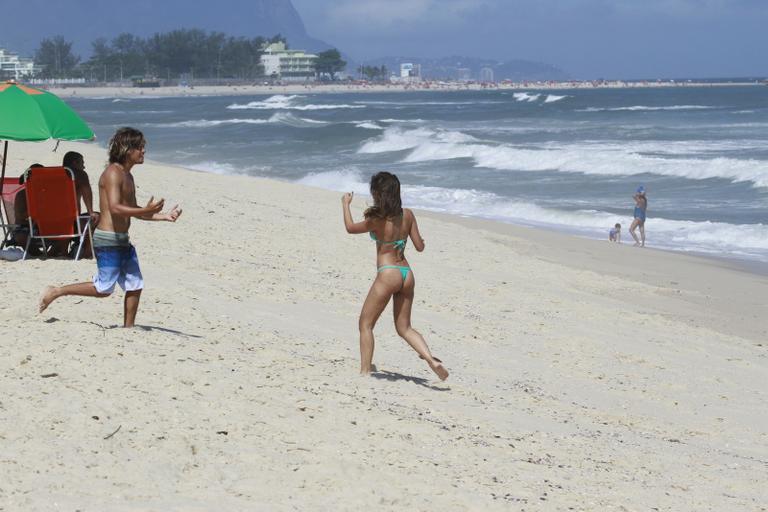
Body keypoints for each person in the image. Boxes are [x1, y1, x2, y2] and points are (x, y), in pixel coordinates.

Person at [39, 127, 182, 327]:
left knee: (135, 285)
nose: (143, 151)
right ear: (126, 149)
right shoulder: (113, 173)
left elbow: (132, 209)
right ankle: (56, 291)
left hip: (123, 240)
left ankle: (128, 328)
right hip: (107, 240)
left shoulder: (128, 176)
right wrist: (145, 210)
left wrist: (163, 216)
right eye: (140, 147)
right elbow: (115, 208)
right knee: (103, 289)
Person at [342, 172, 448, 381]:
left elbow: (350, 228)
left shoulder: (376, 220)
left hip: (388, 273)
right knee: (404, 327)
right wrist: (422, 241)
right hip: (406, 274)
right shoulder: (407, 215)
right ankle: (431, 359)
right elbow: (419, 247)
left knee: (366, 324)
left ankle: (365, 371)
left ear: (377, 194)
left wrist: (345, 204)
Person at [62, 151, 98, 258]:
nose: (84, 166)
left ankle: (61, 249)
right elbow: (86, 192)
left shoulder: (49, 176)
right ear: (75, 163)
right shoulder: (79, 175)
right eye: (82, 163)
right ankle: (87, 252)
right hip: (71, 223)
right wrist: (91, 212)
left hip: (46, 225)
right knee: (98, 218)